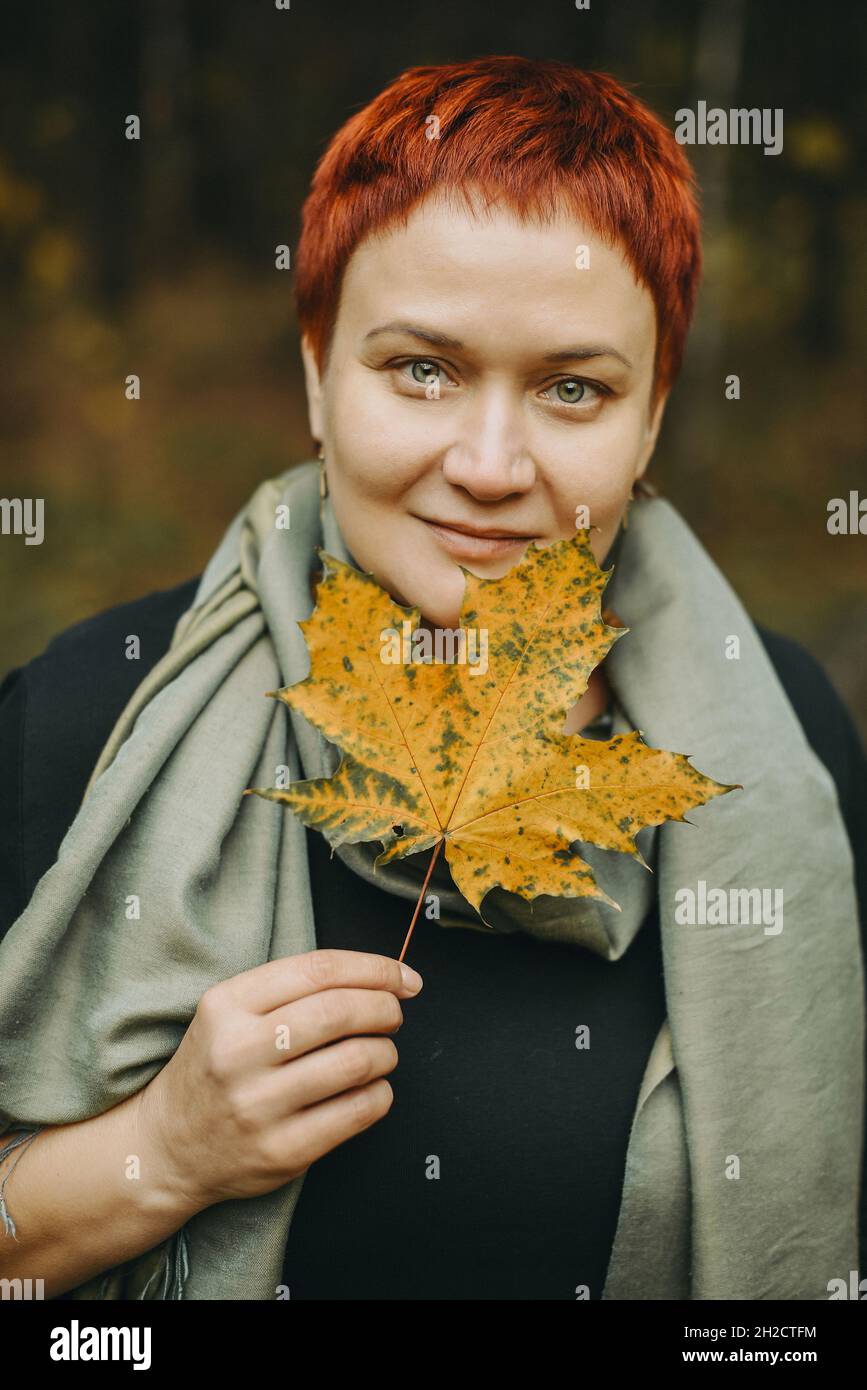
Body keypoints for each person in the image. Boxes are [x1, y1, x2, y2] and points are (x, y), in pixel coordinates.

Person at [0, 56, 864, 1302]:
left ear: (656, 412)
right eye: (422, 369)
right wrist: (161, 1150)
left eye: (575, 387)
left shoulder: (789, 744)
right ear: (314, 368)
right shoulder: (87, 722)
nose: (492, 463)